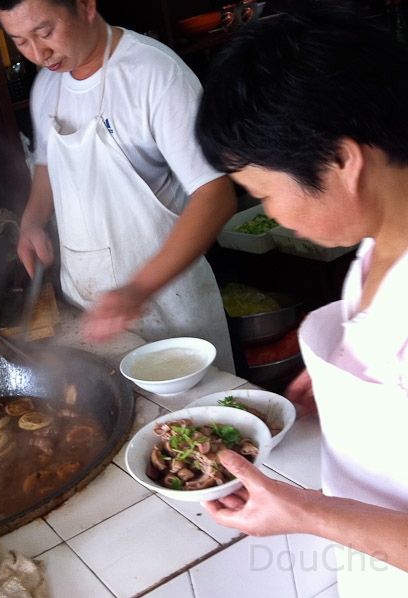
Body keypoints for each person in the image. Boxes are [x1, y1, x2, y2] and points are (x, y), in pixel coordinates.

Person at [194, 1, 408, 594]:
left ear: (342, 160)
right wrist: (351, 388)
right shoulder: (380, 240)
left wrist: (302, 512)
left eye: (263, 193)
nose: (271, 215)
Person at [0, 0, 237, 373]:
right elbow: (47, 162)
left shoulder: (155, 73)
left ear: (85, 6)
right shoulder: (47, 85)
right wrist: (32, 220)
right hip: (87, 313)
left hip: (170, 312)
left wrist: (136, 290)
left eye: (45, 33)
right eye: (20, 42)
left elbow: (216, 195)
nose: (39, 54)